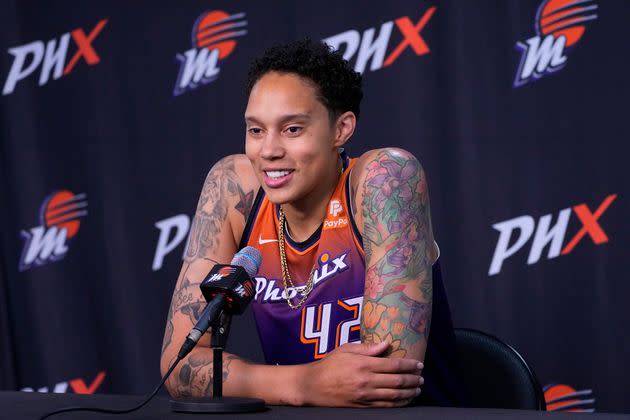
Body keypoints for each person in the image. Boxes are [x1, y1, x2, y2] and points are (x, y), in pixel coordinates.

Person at [160, 39, 463, 407]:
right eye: (256, 130)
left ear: (342, 129)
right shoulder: (234, 187)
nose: (269, 150)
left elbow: (384, 385)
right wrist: (304, 383)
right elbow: (179, 368)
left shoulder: (385, 178)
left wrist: (263, 382)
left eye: (292, 129)